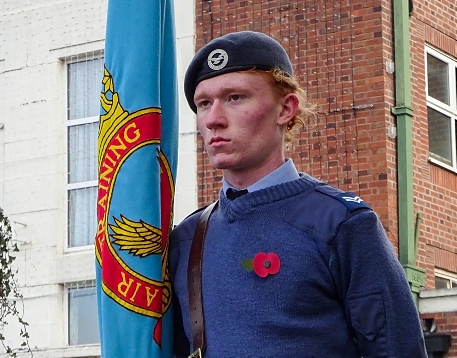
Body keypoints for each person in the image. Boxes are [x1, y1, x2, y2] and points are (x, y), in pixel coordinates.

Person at [169, 31, 427, 358]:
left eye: (235, 97)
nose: (214, 120)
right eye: (204, 103)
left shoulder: (341, 224)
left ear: (286, 109)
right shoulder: (187, 240)